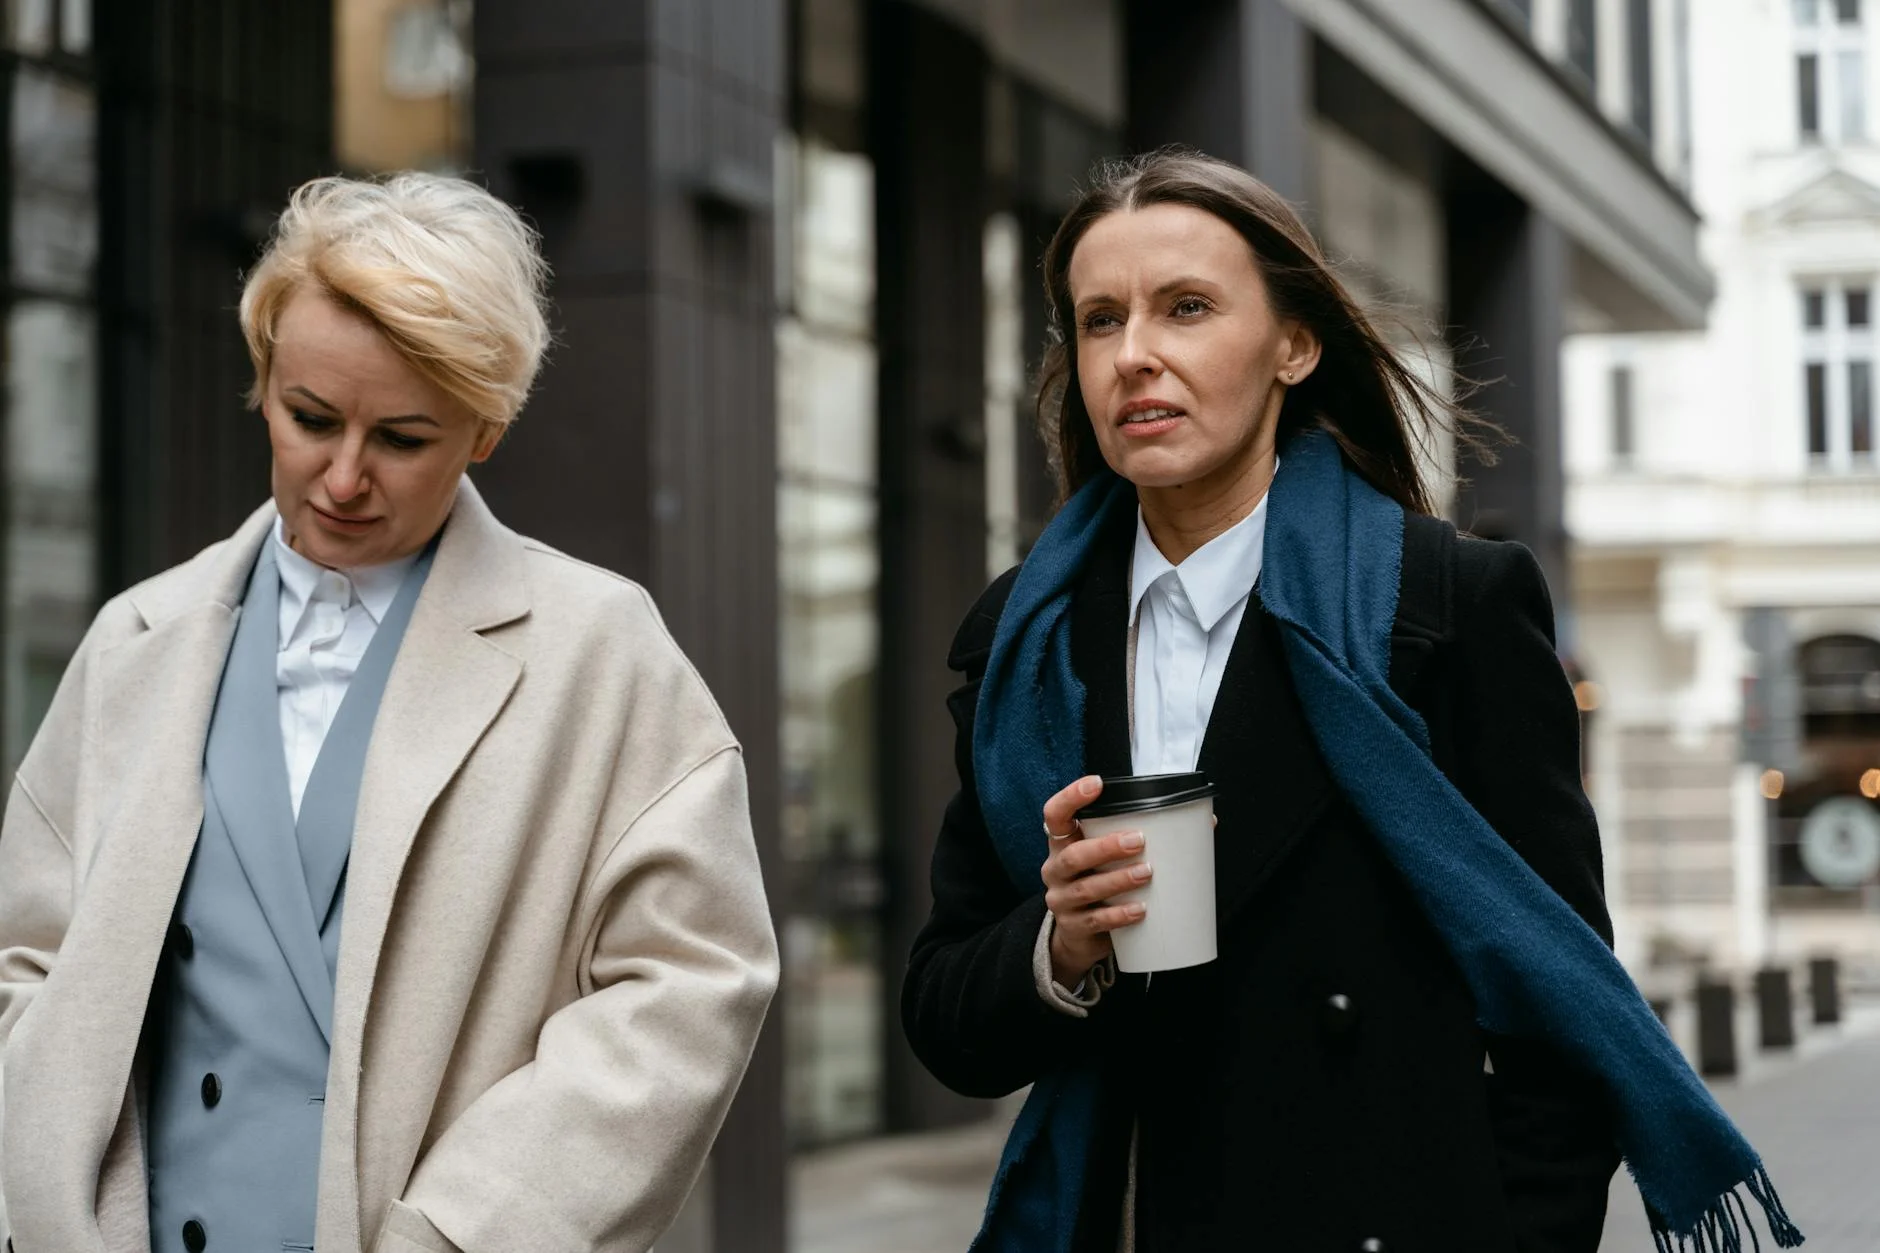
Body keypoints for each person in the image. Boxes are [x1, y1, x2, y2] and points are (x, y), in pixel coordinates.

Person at [901, 150, 1799, 1253]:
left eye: (1184, 308)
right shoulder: (1024, 647)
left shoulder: (1445, 608)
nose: (1133, 355)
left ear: (1293, 343)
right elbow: (947, 1021)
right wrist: (1058, 943)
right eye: (1098, 320)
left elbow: (1555, 1006)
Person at [0, 173, 778, 1253]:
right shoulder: (135, 642)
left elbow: (689, 985)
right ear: (262, 379)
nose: (343, 477)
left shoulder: (599, 653)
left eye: (403, 437)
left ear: (485, 431)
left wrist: (463, 1233)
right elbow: (22, 955)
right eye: (309, 418)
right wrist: (46, 1198)